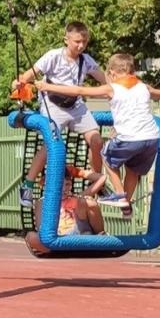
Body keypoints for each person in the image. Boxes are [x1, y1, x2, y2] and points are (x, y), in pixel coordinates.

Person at [37, 52, 160, 215]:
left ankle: (120, 196)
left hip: (130, 138)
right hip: (152, 138)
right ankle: (126, 204)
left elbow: (79, 90)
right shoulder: (143, 86)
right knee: (133, 170)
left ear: (112, 73)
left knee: (106, 157)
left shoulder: (111, 88)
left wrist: (47, 87)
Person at [12, 22, 107, 207]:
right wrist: (19, 82)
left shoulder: (86, 60)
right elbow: (30, 74)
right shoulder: (53, 56)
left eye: (84, 42)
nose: (80, 46)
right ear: (67, 39)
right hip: (53, 104)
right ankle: (28, 185)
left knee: (96, 140)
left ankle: (96, 182)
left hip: (75, 105)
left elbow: (105, 80)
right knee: (52, 144)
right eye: (77, 41)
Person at [23, 167, 106, 256]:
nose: (63, 189)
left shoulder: (77, 198)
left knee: (89, 202)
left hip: (79, 236)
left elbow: (102, 178)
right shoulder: (43, 202)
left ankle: (100, 237)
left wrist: (78, 172)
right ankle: (57, 250)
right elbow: (41, 230)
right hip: (56, 239)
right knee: (30, 236)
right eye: (58, 185)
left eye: (67, 184)